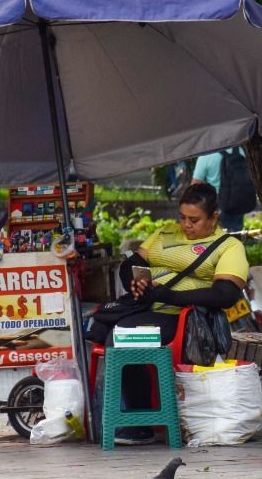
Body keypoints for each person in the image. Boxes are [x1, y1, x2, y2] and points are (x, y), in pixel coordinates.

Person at [95, 182, 248, 445]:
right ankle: (112, 418)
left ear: (213, 218)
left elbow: (225, 295)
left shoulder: (228, 246)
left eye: (194, 220)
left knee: (121, 337)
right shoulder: (165, 233)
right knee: (97, 328)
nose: (186, 225)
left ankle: (138, 424)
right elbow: (134, 262)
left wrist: (170, 296)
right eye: (182, 217)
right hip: (146, 308)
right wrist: (137, 282)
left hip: (185, 320)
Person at [192, 146, 249, 233]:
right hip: (237, 198)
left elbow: (195, 184)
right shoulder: (239, 151)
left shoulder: (206, 156)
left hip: (215, 200)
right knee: (235, 234)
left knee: (216, 235)